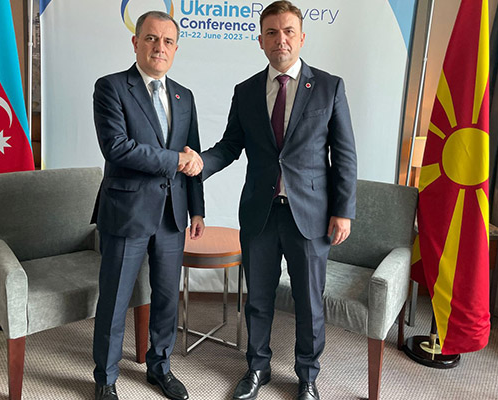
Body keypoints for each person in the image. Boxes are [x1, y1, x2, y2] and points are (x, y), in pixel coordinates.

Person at [201, 2, 357, 399]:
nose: (280, 39)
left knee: (309, 303)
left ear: (302, 38)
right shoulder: (246, 91)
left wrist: (343, 210)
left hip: (311, 216)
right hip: (261, 213)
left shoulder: (329, 87)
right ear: (260, 41)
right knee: (258, 299)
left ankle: (307, 376)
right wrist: (197, 165)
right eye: (271, 32)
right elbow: (230, 146)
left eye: (288, 31)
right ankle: (257, 368)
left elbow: (344, 154)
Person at [91, 10, 205, 400]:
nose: (160, 47)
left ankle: (160, 368)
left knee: (166, 298)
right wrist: (175, 160)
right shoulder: (111, 87)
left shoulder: (184, 96)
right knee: (115, 299)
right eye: (152, 38)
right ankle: (105, 378)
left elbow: (193, 155)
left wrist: (197, 209)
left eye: (168, 41)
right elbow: (117, 148)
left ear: (175, 49)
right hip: (127, 212)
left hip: (172, 215)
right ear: (135, 42)